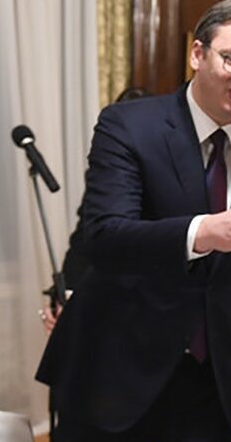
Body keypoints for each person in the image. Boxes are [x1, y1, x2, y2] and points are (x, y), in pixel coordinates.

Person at [36, 0, 231, 442]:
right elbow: (105, 237)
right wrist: (205, 231)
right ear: (197, 54)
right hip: (113, 367)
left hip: (213, 380)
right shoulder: (128, 124)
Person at [39, 87, 152, 334]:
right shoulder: (107, 170)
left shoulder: (174, 173)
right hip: (107, 304)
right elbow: (84, 238)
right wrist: (65, 293)